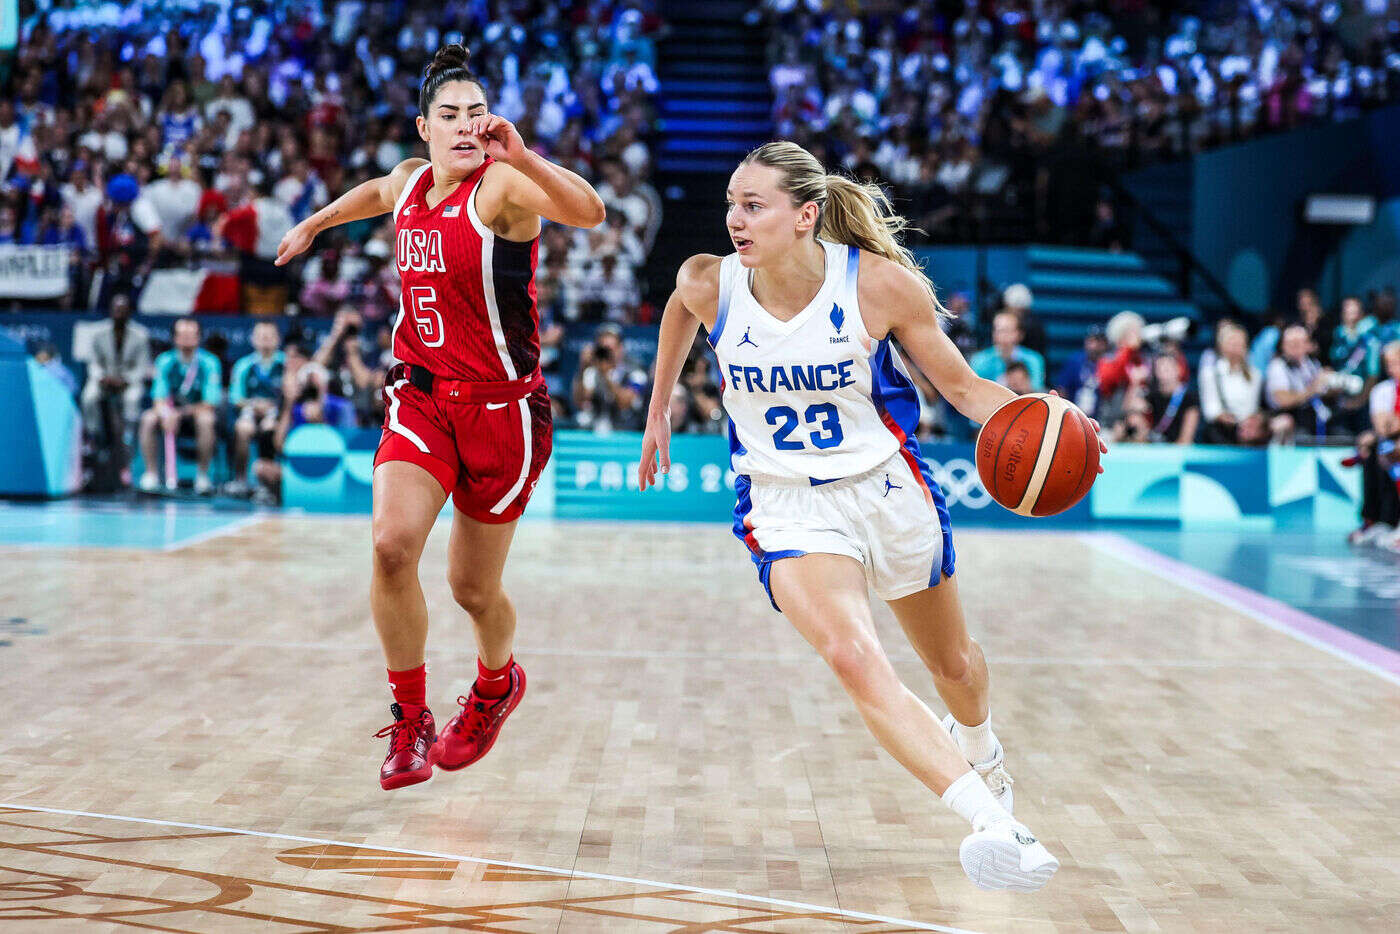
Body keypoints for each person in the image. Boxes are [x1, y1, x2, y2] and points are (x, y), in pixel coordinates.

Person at [637, 141, 1105, 892]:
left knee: (955, 670)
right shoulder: (709, 281)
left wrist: (1047, 416)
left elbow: (962, 390)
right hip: (785, 502)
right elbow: (677, 313)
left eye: (754, 205)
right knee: (854, 657)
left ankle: (980, 746)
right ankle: (994, 822)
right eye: (731, 202)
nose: (734, 219)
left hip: (887, 490)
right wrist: (658, 408)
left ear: (806, 216)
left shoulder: (878, 286)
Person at [275, 43, 604, 791]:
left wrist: (529, 155)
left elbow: (590, 212)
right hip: (421, 394)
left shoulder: (503, 190)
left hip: (502, 409)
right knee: (391, 547)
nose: (465, 127)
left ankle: (496, 685)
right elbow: (371, 194)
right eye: (449, 116)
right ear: (423, 128)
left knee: (471, 590)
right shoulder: (408, 181)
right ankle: (412, 716)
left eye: (477, 114)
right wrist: (316, 224)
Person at [138, 317, 223, 494]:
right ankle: (151, 475)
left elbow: (209, 403)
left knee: (207, 420)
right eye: (182, 335)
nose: (186, 339)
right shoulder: (164, 361)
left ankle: (202, 476)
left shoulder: (210, 362)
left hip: (196, 415)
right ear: (174, 338)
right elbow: (158, 398)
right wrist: (165, 413)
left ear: (199, 338)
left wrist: (180, 413)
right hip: (169, 416)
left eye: (191, 335)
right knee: (148, 418)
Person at [80, 294, 151, 485]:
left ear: (129, 312)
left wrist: (126, 380)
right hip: (104, 381)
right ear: (111, 311)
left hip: (128, 383)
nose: (119, 313)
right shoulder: (98, 333)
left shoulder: (140, 335)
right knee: (89, 395)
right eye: (116, 309)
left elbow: (142, 367)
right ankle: (93, 438)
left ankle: (128, 438)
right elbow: (93, 363)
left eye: (123, 310)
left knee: (133, 398)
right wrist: (102, 377)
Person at [227, 321, 285, 497]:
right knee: (243, 429)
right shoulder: (244, 365)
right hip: (250, 410)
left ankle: (265, 483)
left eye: (269, 336)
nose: (265, 340)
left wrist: (272, 407)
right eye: (261, 336)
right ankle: (241, 479)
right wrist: (254, 405)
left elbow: (290, 396)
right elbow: (236, 398)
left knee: (269, 427)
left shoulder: (286, 363)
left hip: (277, 413)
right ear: (253, 339)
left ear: (278, 339)